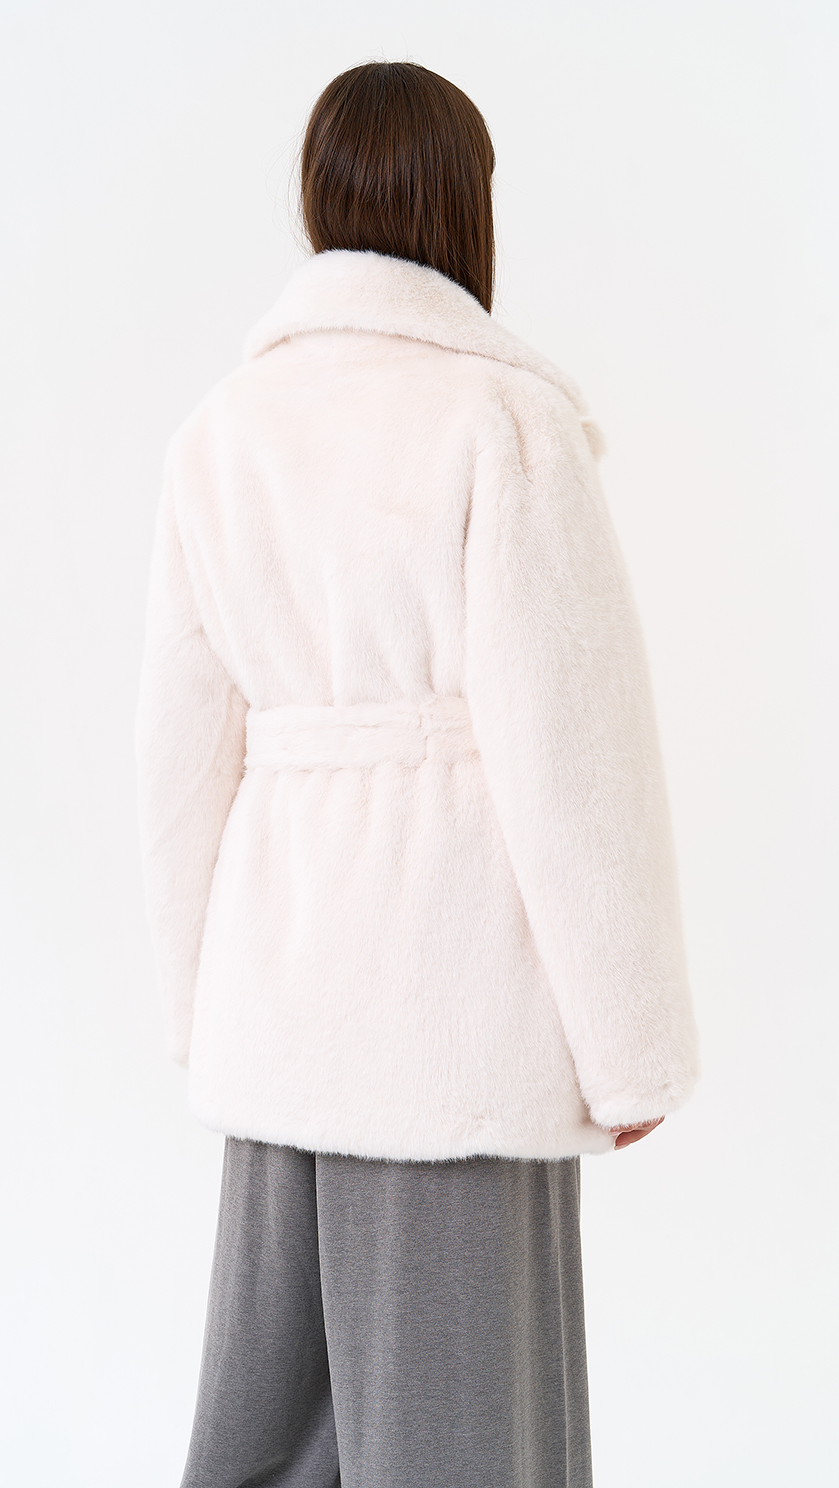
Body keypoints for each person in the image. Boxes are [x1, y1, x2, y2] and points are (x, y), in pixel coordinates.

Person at [135, 59, 700, 1488]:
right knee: (468, 1444)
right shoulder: (499, 423)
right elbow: (576, 755)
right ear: (465, 205)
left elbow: (180, 760)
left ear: (318, 201)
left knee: (272, 1448)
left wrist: (204, 1008)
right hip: (452, 1032)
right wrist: (630, 1045)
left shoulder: (222, 436)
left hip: (278, 1021)